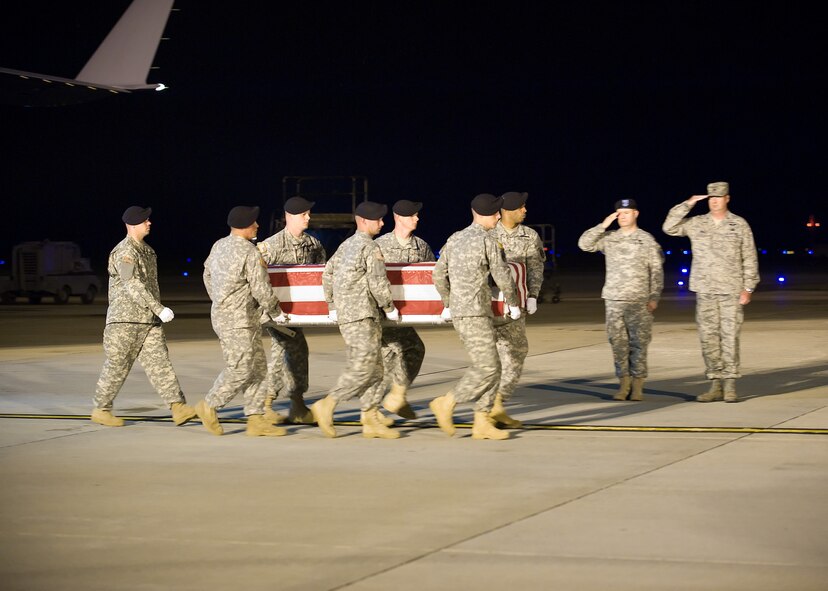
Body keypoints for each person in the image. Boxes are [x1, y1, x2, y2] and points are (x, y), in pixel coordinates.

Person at [91, 206, 197, 427]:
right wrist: (158, 308)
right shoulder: (124, 251)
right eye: (144, 220)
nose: (149, 223)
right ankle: (101, 409)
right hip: (125, 321)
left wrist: (154, 313)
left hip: (148, 321)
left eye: (148, 219)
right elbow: (132, 285)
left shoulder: (147, 251)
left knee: (161, 363)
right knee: (117, 366)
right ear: (131, 225)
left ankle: (178, 407)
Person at [430, 193, 521, 440]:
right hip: (475, 312)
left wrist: (448, 302)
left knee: (494, 366)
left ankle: (481, 421)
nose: (497, 217)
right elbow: (502, 275)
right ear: (489, 215)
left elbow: (438, 274)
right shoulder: (487, 240)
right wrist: (513, 303)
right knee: (488, 366)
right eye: (496, 214)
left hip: (463, 312)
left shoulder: (455, 239)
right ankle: (448, 402)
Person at [195, 205, 289, 436]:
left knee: (257, 367)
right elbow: (261, 288)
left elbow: (207, 274)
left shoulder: (219, 246)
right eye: (254, 222)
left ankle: (255, 418)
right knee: (241, 367)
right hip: (239, 319)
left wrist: (219, 298)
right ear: (246, 225)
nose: (257, 225)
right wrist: (275, 311)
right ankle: (209, 405)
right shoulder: (249, 251)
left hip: (228, 316)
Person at [662, 182, 759, 402]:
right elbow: (669, 227)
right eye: (711, 198)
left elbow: (750, 256)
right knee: (708, 338)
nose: (714, 200)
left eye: (719, 197)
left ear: (727, 198)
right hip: (704, 289)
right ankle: (715, 383)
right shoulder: (697, 223)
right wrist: (687, 204)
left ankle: (730, 384)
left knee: (729, 337)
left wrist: (748, 287)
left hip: (731, 289)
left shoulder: (739, 224)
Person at [312, 201, 401, 439]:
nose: (382, 223)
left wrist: (332, 304)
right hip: (362, 315)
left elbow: (327, 273)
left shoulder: (345, 246)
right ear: (363, 221)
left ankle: (370, 418)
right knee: (363, 368)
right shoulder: (370, 248)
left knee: (377, 369)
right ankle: (328, 403)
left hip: (351, 316)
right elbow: (377, 281)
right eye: (378, 219)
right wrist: (389, 307)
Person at [578, 198, 664, 400]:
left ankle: (638, 385)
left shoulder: (646, 240)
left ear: (636, 214)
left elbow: (657, 271)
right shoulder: (610, 238)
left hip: (639, 300)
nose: (623, 216)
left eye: (627, 212)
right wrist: (603, 225)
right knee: (618, 343)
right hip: (614, 299)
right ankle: (623, 384)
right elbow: (584, 244)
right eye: (619, 213)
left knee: (639, 344)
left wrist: (654, 297)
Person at [257, 196, 327, 425]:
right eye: (303, 214)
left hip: (298, 313)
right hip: (274, 313)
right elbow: (257, 279)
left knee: (284, 352)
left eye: (308, 213)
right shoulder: (270, 247)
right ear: (289, 216)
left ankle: (283, 403)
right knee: (294, 347)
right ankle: (284, 403)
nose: (308, 217)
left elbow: (320, 276)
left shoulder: (313, 245)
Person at [366, 199, 436, 422]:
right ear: (398, 218)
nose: (417, 218)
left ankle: (379, 408)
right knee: (411, 349)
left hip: (406, 316)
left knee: (388, 360)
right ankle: (392, 399)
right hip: (384, 314)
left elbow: (429, 280)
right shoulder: (380, 246)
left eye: (417, 215)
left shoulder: (422, 247)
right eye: (411, 215)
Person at [490, 191, 546, 426]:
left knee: (516, 353)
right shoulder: (488, 233)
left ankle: (498, 403)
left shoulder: (530, 236)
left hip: (516, 309)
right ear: (508, 210)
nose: (525, 210)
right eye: (521, 207)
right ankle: (486, 407)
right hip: (489, 307)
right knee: (489, 359)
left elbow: (534, 268)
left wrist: (533, 296)